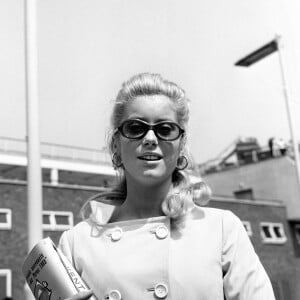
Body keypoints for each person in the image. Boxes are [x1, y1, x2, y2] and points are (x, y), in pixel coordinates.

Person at [59, 73, 275, 300]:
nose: (150, 138)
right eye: (135, 128)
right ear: (116, 143)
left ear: (181, 145)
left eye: (165, 129)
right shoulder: (76, 243)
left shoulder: (221, 230)